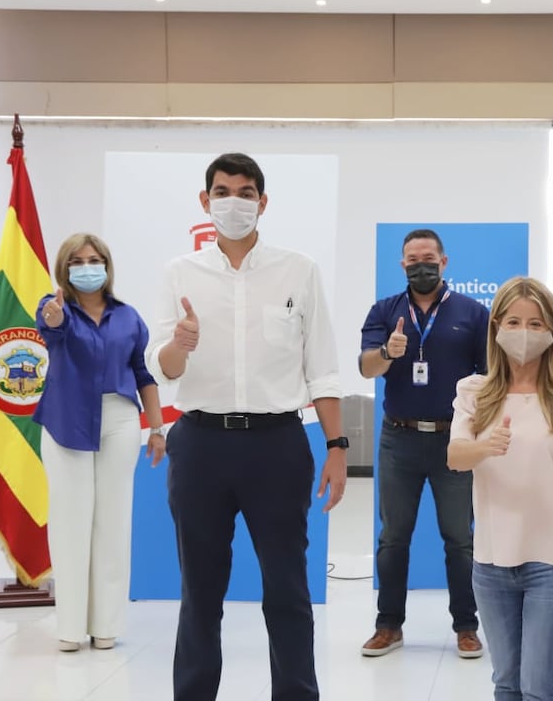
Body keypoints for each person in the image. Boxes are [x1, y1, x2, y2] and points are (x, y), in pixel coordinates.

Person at [146, 153, 348, 701]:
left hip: (276, 444)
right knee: (200, 592)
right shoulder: (180, 272)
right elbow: (163, 368)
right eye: (222, 191)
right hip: (200, 444)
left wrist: (337, 446)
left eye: (245, 192)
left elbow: (322, 367)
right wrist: (179, 344)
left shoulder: (298, 270)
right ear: (204, 201)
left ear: (262, 202)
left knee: (287, 590)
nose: (233, 202)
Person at [448, 276, 553, 701]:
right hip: (492, 563)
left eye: (536, 324)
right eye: (515, 322)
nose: (524, 333)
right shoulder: (474, 392)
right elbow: (455, 456)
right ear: (496, 327)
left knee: (539, 688)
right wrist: (485, 446)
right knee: (506, 684)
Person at [358, 229, 489, 658]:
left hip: (454, 441)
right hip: (399, 439)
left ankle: (466, 627)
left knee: (460, 539)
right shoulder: (385, 311)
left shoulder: (472, 313)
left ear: (444, 262)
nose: (421, 266)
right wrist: (388, 353)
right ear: (402, 265)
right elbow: (366, 368)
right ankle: (388, 626)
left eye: (428, 258)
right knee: (393, 538)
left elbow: (490, 375)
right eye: (412, 260)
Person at [34, 232, 165, 652]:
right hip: (65, 423)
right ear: (64, 268)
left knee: (113, 522)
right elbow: (51, 330)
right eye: (77, 261)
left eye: (94, 260)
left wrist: (157, 428)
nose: (87, 268)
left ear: (107, 266)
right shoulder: (54, 307)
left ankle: (106, 623)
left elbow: (143, 373)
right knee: (70, 523)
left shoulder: (128, 317)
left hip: (119, 420)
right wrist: (56, 317)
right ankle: (70, 628)